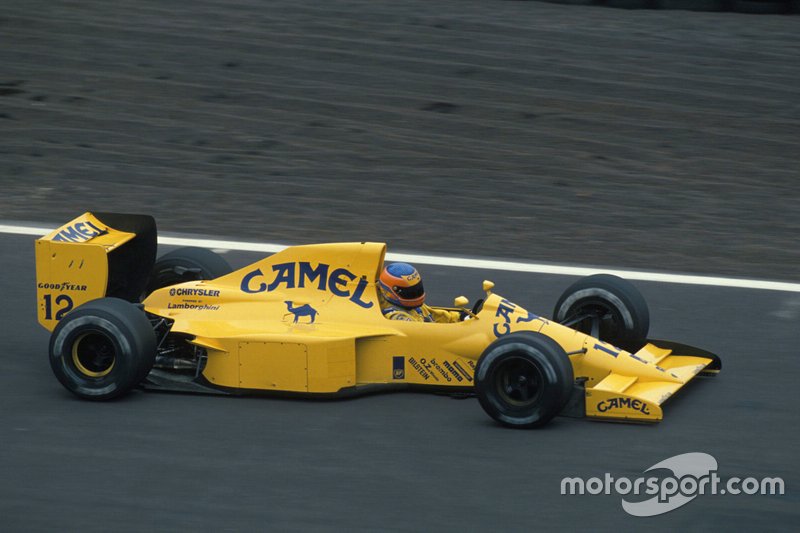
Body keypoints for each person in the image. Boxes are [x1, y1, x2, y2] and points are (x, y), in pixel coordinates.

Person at [378, 262, 463, 323]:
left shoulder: (414, 306)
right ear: (389, 291)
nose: (415, 294)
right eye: (409, 292)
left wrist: (461, 317)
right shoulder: (397, 318)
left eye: (417, 288)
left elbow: (436, 315)